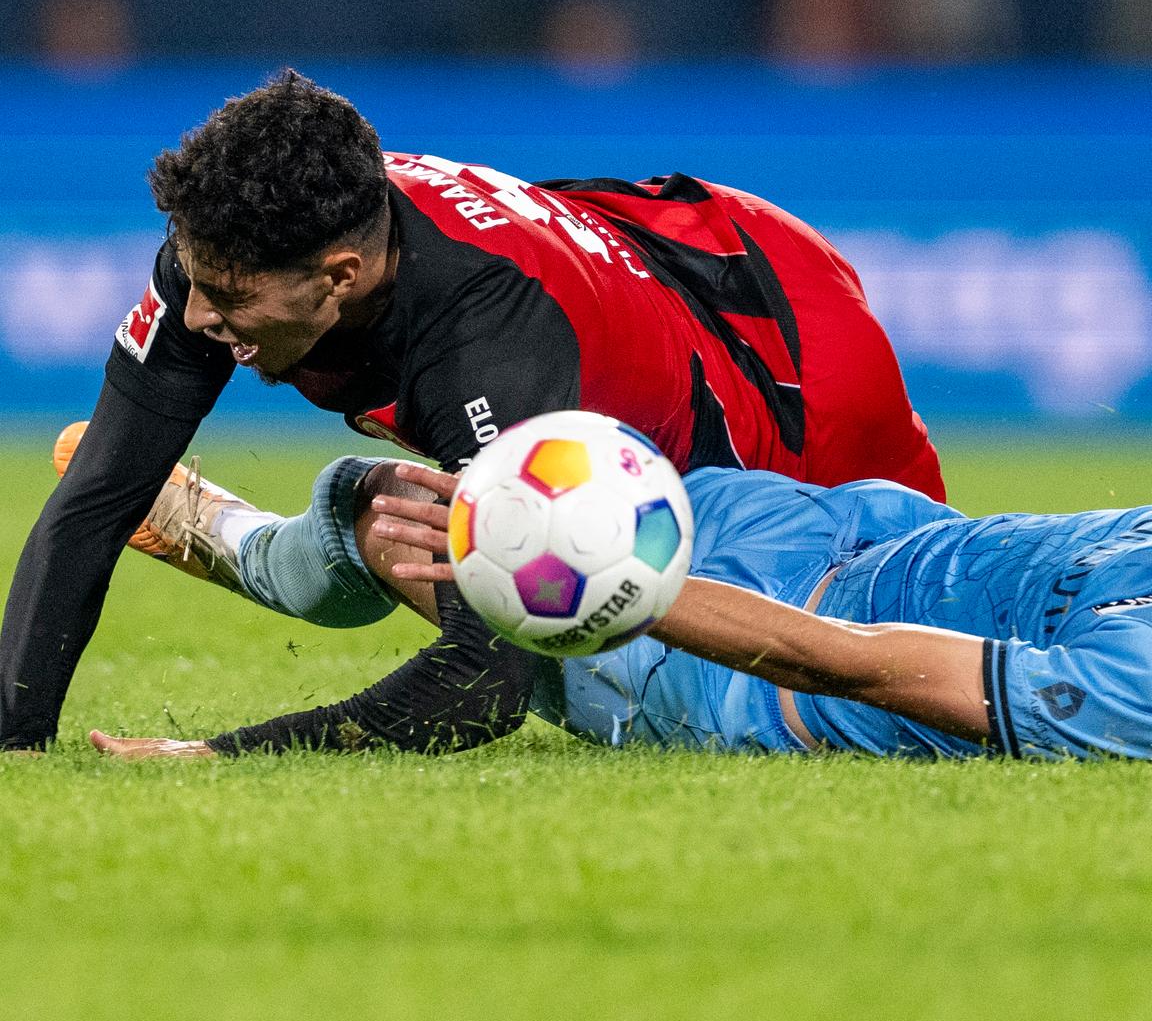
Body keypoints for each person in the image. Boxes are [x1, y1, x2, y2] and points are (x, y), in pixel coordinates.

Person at [1, 69, 941, 752]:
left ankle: (239, 539)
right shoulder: (231, 254)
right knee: (401, 525)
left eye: (229, 302)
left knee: (890, 640)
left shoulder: (484, 353)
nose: (196, 318)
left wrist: (220, 757)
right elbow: (93, 502)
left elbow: (485, 684)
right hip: (636, 262)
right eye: (192, 281)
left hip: (791, 371)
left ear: (340, 278)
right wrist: (15, 749)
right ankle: (237, 537)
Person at [89, 441, 1152, 762]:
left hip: (735, 672)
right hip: (840, 522)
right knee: (486, 481)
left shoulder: (1137, 693)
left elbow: (851, 665)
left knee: (407, 527)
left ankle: (241, 543)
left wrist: (613, 586)